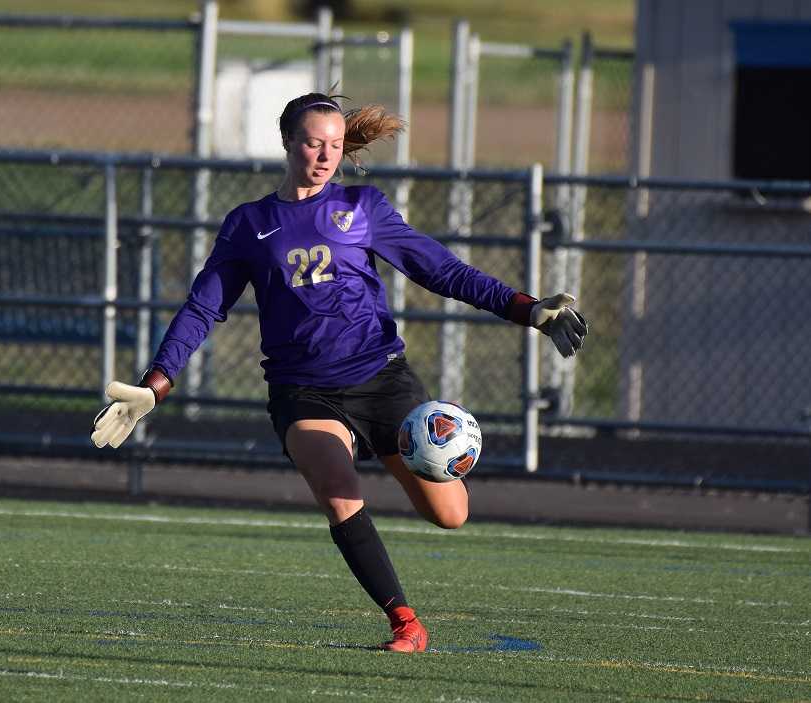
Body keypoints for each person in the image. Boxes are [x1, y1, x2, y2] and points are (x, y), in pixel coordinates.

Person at [90, 93, 588, 653]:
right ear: (286, 142)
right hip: (303, 391)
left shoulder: (363, 208)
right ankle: (405, 622)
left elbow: (442, 271)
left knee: (451, 514)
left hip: (382, 378)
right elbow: (203, 308)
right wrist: (157, 381)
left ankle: (403, 460)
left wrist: (526, 309)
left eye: (334, 145)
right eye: (312, 143)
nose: (325, 156)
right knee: (338, 493)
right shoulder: (249, 224)